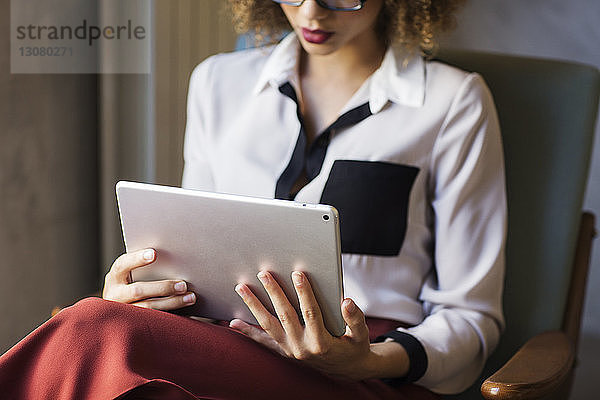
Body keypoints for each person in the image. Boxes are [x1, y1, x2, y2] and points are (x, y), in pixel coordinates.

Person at [0, 0, 506, 398]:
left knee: (92, 332)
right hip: (224, 348)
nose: (311, 11)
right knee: (109, 336)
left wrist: (369, 360)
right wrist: (146, 294)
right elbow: (191, 259)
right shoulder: (218, 83)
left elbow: (472, 319)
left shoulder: (452, 102)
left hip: (363, 373)